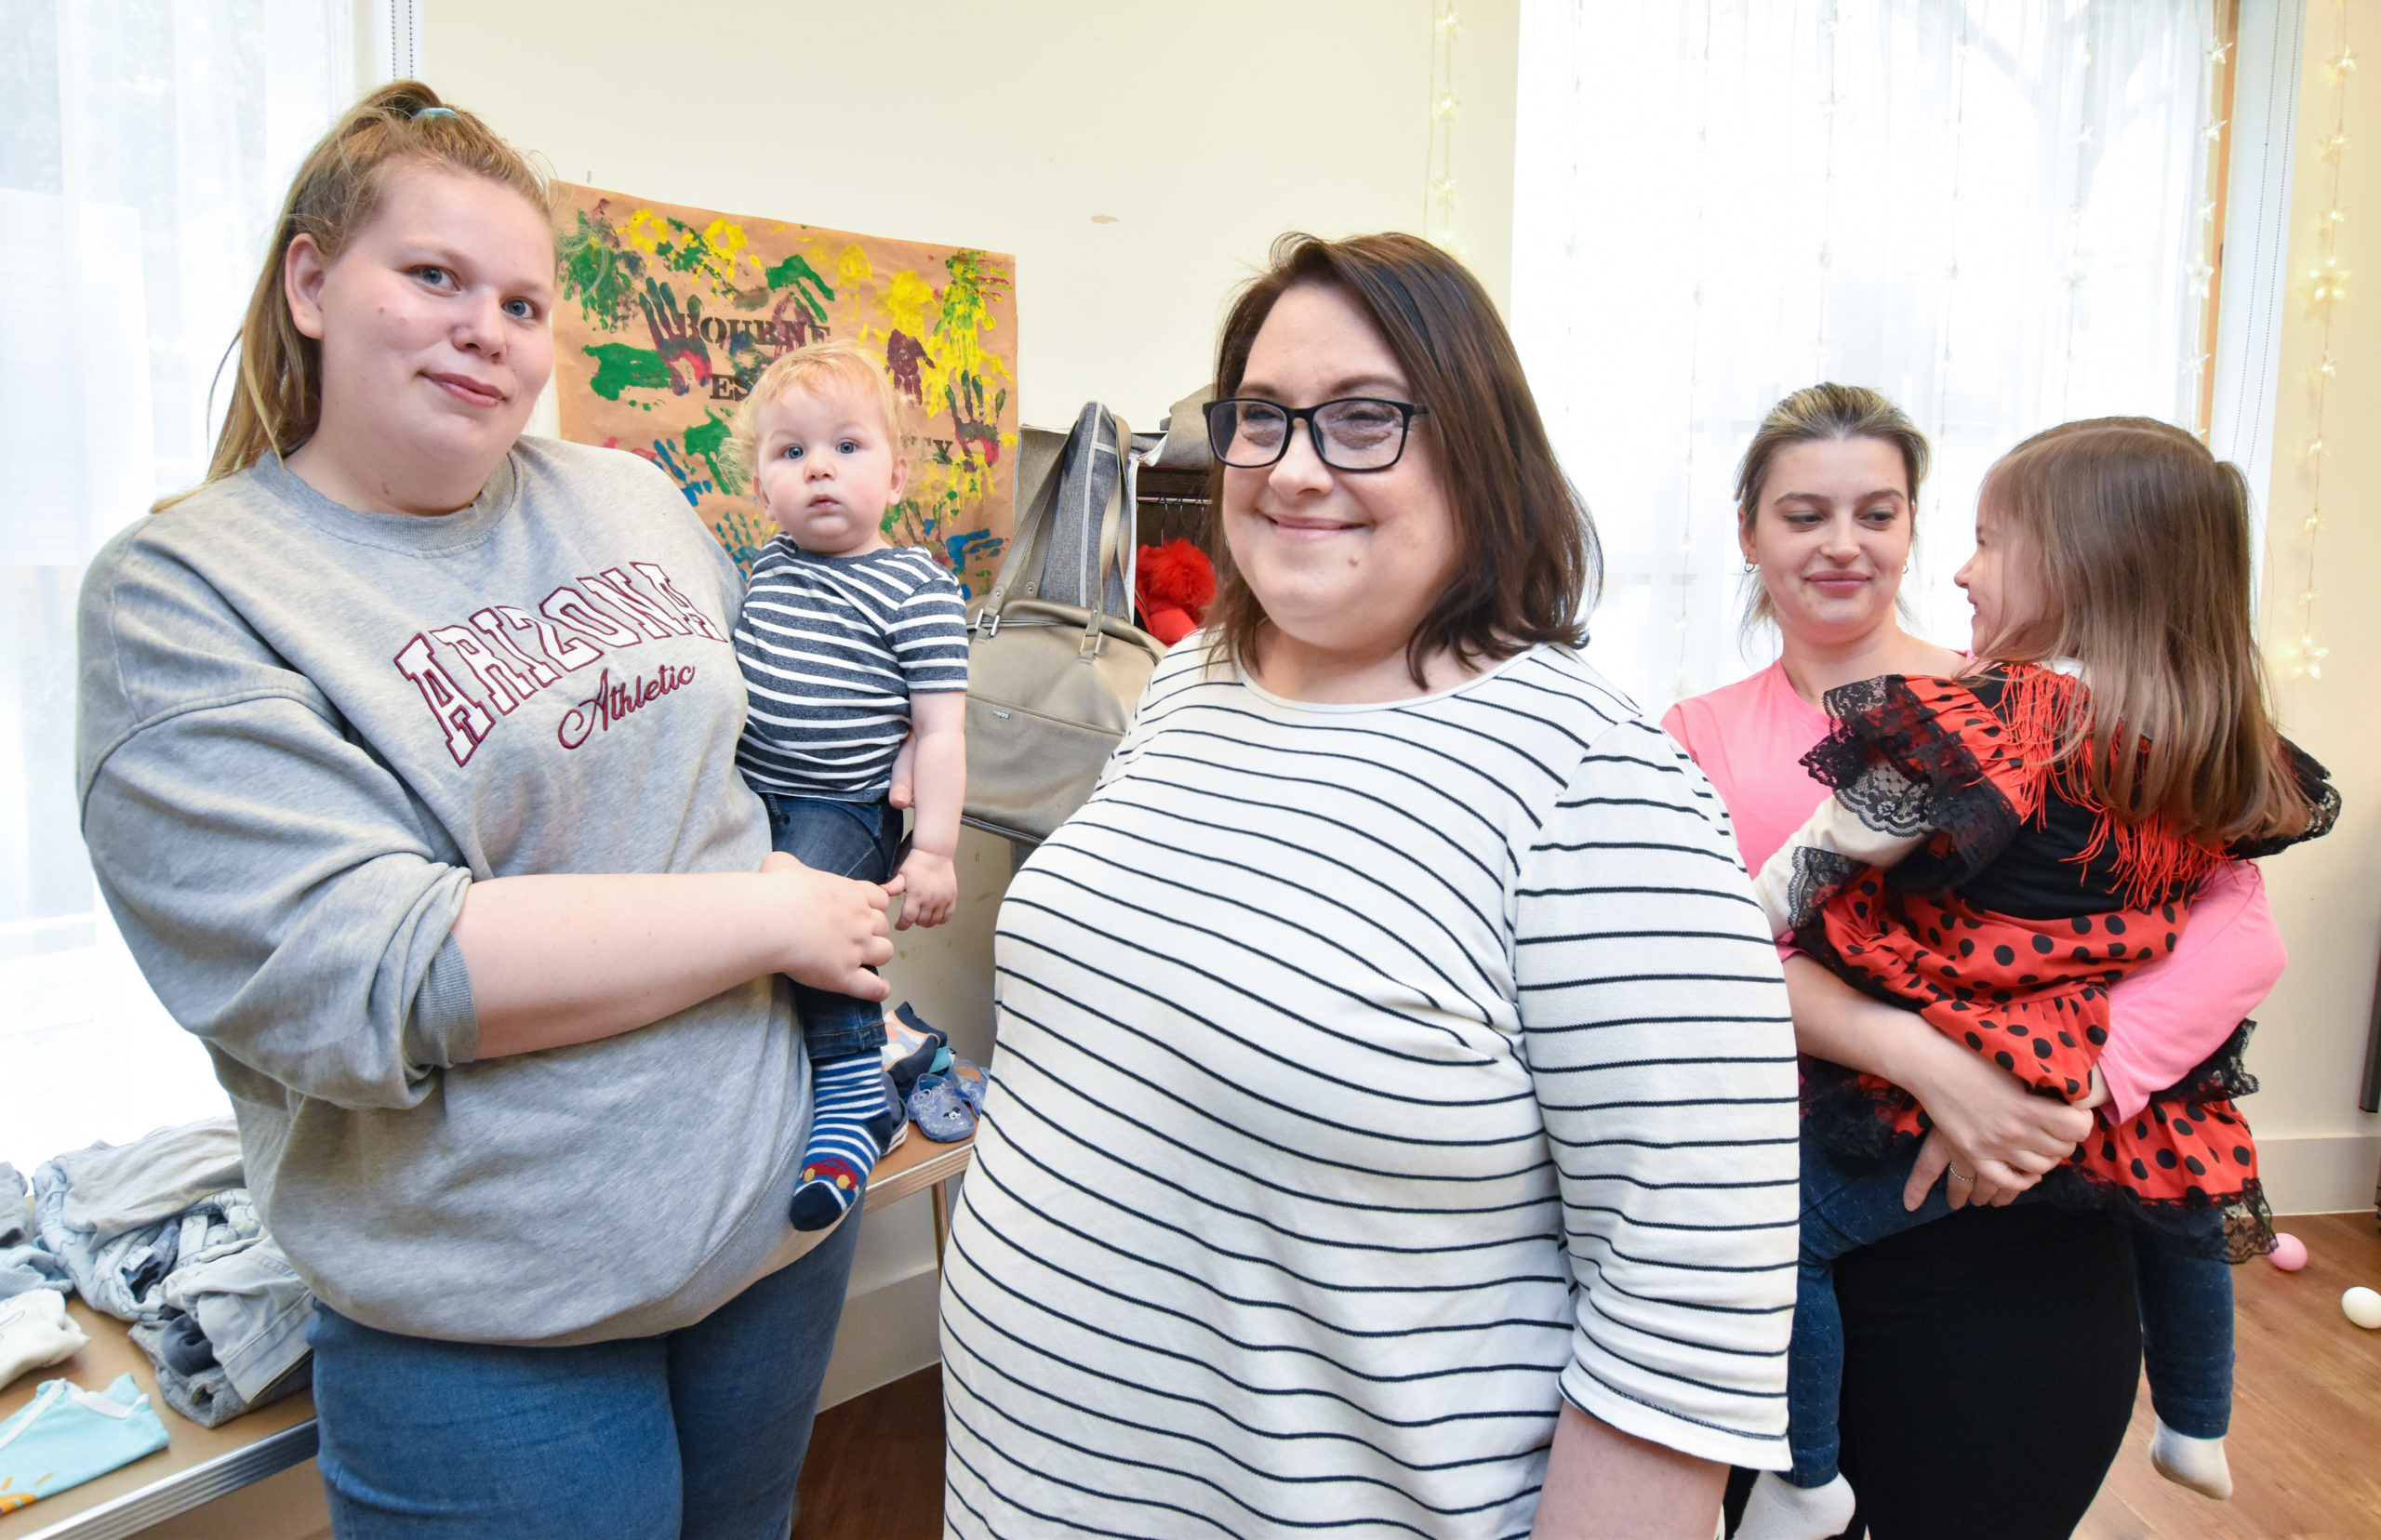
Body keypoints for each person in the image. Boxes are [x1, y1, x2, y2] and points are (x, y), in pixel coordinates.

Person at [74, 84, 893, 1539]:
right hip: (492, 1315)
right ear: (315, 284)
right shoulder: (190, 594)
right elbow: (378, 973)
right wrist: (774, 911)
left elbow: (744, 766)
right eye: (435, 277)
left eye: (521, 301)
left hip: (773, 1232)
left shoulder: (628, 498)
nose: (485, 329)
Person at [938, 232, 1801, 1539]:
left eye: (1362, 422)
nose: (1292, 467)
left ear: (1481, 451)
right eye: (1261, 419)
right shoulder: (1189, 691)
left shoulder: (1599, 788)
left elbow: (1678, 1337)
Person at [1665, 385, 2296, 1540]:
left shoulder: (2030, 707)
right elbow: (1695, 964)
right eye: (1803, 514)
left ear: (1917, 526)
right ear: (1747, 535)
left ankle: (2191, 1414)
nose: (1843, 544)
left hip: (2017, 1220)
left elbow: (2237, 933)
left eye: (1880, 511)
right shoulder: (1689, 738)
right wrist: (1929, 1061)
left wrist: (2062, 1095)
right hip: (1779, 1210)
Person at [726, 338, 969, 1229]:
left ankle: (853, 1092)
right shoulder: (764, 572)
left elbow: (941, 728)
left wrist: (936, 848)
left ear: (897, 478)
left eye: (847, 447)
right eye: (791, 453)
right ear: (761, 488)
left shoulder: (917, 588)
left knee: (796, 909)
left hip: (848, 809)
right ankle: (896, 1041)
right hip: (756, 799)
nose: (818, 469)